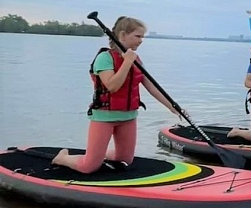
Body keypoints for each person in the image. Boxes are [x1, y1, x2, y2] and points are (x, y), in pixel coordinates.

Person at [52, 16, 181, 173]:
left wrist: (172, 107)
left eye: (142, 37)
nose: (141, 41)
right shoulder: (104, 58)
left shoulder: (136, 59)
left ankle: (95, 155)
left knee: (125, 160)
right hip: (104, 117)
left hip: (128, 117)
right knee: (89, 167)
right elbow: (112, 86)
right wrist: (127, 62)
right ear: (122, 35)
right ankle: (63, 158)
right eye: (137, 36)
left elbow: (151, 86)